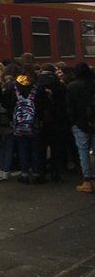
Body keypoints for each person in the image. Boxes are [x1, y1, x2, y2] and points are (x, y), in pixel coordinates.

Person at [34, 63, 69, 181]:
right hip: (57, 121)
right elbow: (64, 104)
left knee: (40, 149)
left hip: (41, 122)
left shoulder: (37, 87)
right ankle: (56, 172)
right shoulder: (60, 86)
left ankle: (40, 173)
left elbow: (35, 105)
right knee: (56, 148)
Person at [7, 69, 43, 184]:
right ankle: (37, 174)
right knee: (36, 148)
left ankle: (24, 174)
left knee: (22, 148)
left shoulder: (14, 87)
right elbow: (44, 104)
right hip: (34, 122)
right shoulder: (37, 87)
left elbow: (6, 103)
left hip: (18, 123)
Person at [67, 62, 95, 192]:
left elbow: (70, 107)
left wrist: (72, 121)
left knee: (83, 151)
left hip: (79, 122)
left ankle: (88, 180)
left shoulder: (72, 86)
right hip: (93, 121)